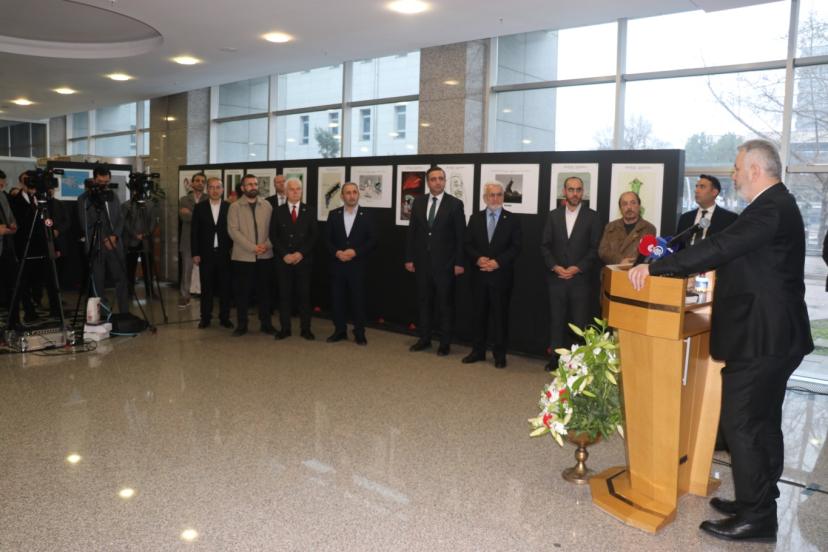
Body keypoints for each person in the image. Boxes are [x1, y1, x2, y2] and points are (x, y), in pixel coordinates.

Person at [628, 140, 813, 543]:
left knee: (742, 423)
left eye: (737, 167)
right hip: (773, 336)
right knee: (762, 421)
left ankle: (757, 517)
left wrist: (658, 267)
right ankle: (757, 499)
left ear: (755, 170)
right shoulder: (775, 205)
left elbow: (720, 246)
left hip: (763, 337)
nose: (733, 174)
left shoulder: (770, 208)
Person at [540, 176, 602, 371]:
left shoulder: (593, 217)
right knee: (556, 320)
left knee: (579, 323)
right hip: (556, 279)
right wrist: (554, 266)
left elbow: (595, 249)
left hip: (580, 280)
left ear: (583, 192)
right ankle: (554, 359)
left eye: (578, 190)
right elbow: (544, 246)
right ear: (564, 192)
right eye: (571, 189)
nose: (575, 193)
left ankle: (578, 363)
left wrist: (578, 267)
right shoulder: (553, 215)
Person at [405, 166, 466, 356]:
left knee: (445, 305)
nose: (437, 182)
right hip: (422, 263)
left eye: (441, 178)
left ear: (445, 181)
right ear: (428, 182)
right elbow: (412, 232)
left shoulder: (455, 204)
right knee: (424, 302)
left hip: (446, 265)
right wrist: (409, 258)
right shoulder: (419, 202)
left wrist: (459, 262)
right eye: (433, 179)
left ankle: (445, 343)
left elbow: (461, 237)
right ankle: (424, 339)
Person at [462, 182, 522, 368]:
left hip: (501, 277)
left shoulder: (512, 219)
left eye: (499, 195)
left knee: (500, 317)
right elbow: (467, 244)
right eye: (491, 195)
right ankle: (478, 351)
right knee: (478, 315)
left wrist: (498, 262)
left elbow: (516, 247)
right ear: (485, 198)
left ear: (503, 197)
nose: (495, 198)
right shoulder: (475, 218)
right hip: (479, 275)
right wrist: (478, 258)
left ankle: (499, 355)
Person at [324, 182, 376, 345]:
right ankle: (340, 331)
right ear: (342, 196)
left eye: (354, 192)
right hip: (337, 265)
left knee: (358, 300)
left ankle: (359, 332)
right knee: (337, 299)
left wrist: (356, 252)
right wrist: (337, 253)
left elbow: (373, 240)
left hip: (357, 265)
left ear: (358, 194)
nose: (352, 195)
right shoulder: (334, 214)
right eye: (348, 193)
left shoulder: (367, 215)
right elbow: (327, 240)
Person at [227, 174, 275, 336]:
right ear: (242, 188)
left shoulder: (267, 205)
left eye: (255, 184)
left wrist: (266, 245)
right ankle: (242, 325)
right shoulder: (235, 207)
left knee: (265, 293)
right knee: (242, 294)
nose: (253, 187)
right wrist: (253, 248)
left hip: (265, 256)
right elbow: (233, 231)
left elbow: (274, 230)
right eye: (249, 184)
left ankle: (266, 324)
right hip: (243, 257)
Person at [77, 166, 129, 314]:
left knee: (121, 279)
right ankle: (104, 314)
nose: (104, 184)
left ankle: (124, 312)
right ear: (94, 179)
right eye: (100, 181)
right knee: (98, 282)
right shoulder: (84, 199)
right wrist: (104, 239)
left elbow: (120, 218)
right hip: (97, 246)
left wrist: (114, 236)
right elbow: (85, 224)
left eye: (106, 181)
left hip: (115, 244)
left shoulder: (113, 195)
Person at [270, 178, 317, 340]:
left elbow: (313, 236)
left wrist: (300, 254)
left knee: (304, 296)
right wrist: (285, 254)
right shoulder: (278, 211)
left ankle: (306, 329)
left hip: (303, 261)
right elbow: (273, 235)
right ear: (286, 192)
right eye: (292, 189)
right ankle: (285, 328)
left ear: (302, 191)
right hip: (284, 261)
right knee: (284, 296)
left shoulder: (310, 211)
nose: (295, 192)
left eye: (298, 189)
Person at [191, 177, 233, 330]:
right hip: (206, 254)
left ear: (222, 189)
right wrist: (195, 253)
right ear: (207, 189)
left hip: (225, 254)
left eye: (218, 187)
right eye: (212, 187)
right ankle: (205, 318)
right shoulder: (199, 207)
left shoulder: (230, 207)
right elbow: (194, 232)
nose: (215, 190)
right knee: (206, 288)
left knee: (225, 288)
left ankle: (225, 318)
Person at [675, 174, 738, 245]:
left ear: (714, 192)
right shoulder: (685, 218)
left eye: (702, 187)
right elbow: (677, 245)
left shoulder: (730, 218)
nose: (696, 190)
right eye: (696, 186)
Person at [598, 191, 656, 265]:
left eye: (633, 203)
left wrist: (629, 264)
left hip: (635, 270)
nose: (629, 207)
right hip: (613, 270)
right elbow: (603, 251)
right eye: (625, 204)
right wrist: (619, 260)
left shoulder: (649, 228)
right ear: (620, 208)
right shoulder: (610, 227)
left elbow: (647, 255)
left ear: (639, 206)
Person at [121, 191, 160, 299]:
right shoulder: (126, 205)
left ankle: (150, 292)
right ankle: (129, 292)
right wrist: (135, 234)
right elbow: (124, 222)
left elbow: (153, 221)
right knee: (130, 267)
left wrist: (146, 234)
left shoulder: (151, 205)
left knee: (148, 268)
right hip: (131, 240)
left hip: (146, 240)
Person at [178, 172, 206, 308]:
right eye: (197, 180)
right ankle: (185, 296)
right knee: (187, 269)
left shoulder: (208, 198)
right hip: (187, 240)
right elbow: (184, 217)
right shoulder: (184, 199)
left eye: (203, 181)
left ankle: (206, 295)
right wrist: (200, 216)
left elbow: (207, 219)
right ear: (192, 183)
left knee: (206, 270)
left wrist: (192, 213)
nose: (200, 183)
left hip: (205, 240)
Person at [0, 170, 19, 310]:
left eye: (3, 182)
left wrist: (13, 225)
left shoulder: (3, 196)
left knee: (8, 276)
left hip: (7, 243)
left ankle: (8, 305)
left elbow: (10, 216)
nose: (3, 184)